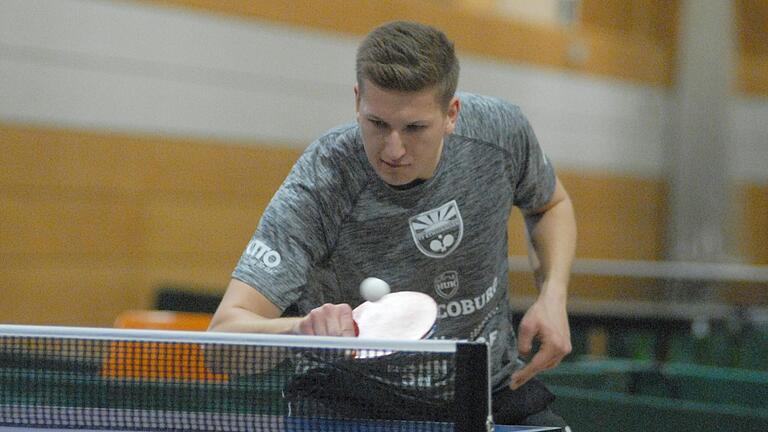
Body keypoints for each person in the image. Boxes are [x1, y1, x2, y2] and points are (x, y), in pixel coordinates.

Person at [209, 20, 576, 428]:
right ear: (357, 102)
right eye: (377, 124)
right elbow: (222, 343)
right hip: (351, 404)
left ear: (451, 114)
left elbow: (550, 204)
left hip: (483, 391)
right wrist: (299, 331)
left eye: (415, 128)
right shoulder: (323, 181)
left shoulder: (499, 135)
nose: (393, 149)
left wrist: (553, 294)